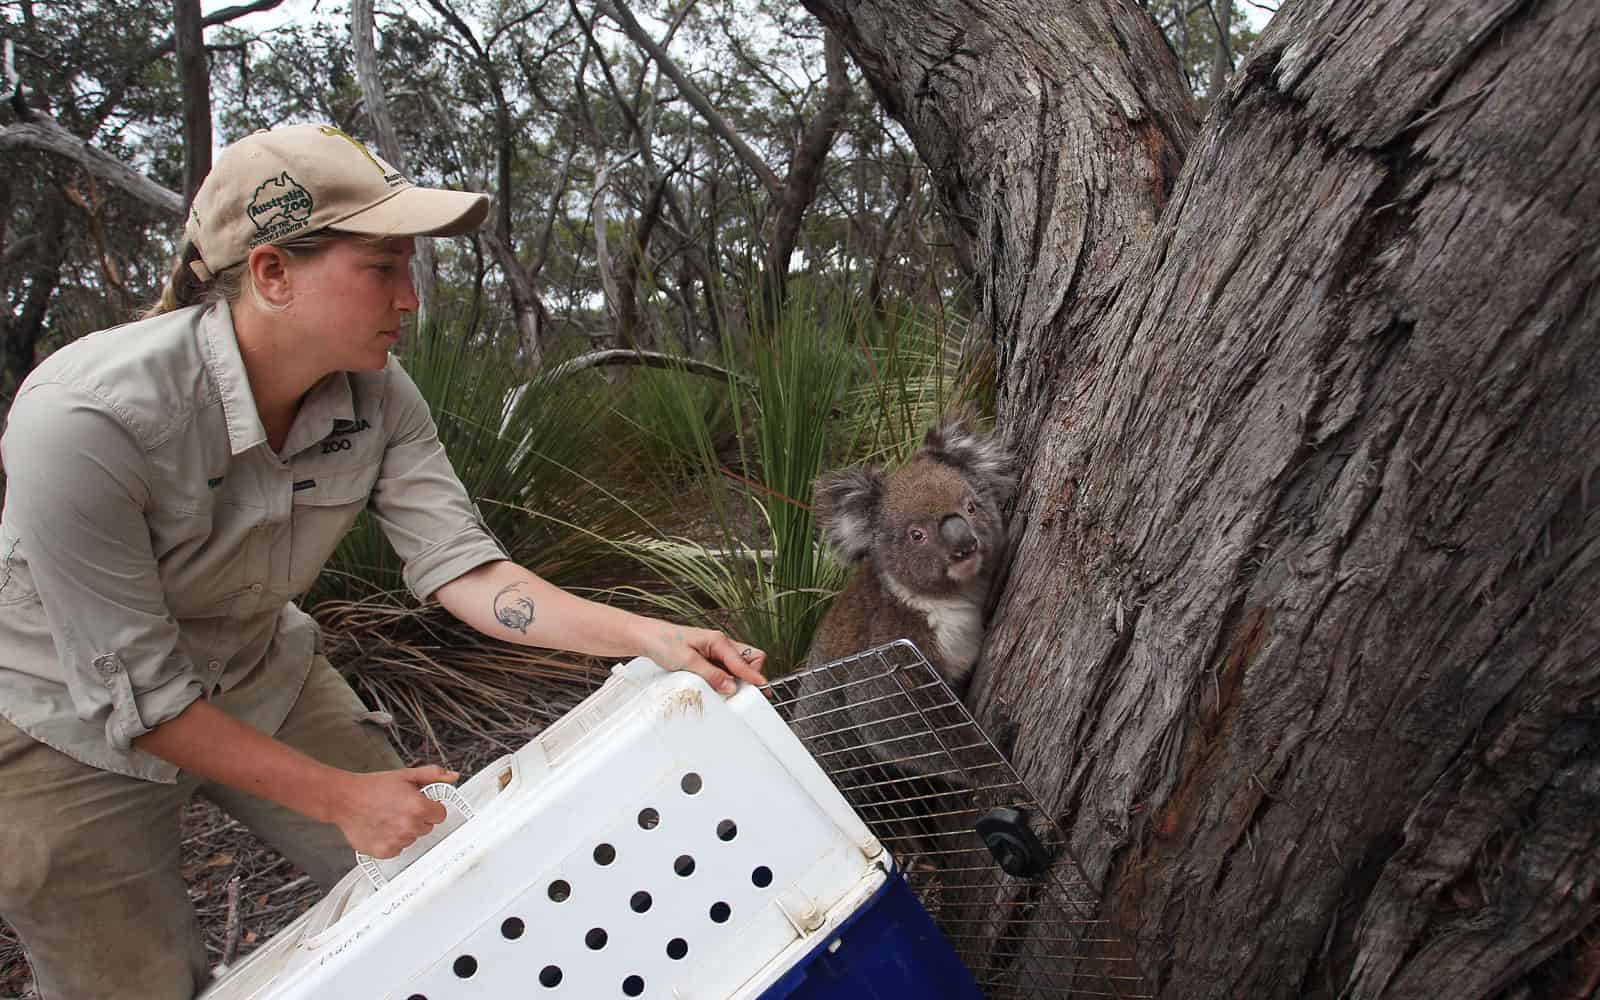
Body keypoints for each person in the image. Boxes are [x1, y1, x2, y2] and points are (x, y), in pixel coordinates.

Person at [0, 123, 767, 999]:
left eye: (409, 268)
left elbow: (466, 571)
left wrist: (649, 637)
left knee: (450, 870)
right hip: (63, 723)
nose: (409, 300)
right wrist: (340, 797)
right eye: (380, 268)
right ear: (272, 273)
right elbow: (137, 694)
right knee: (127, 985)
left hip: (256, 671)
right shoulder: (87, 418)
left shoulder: (377, 392)